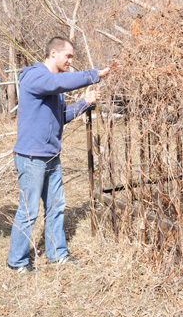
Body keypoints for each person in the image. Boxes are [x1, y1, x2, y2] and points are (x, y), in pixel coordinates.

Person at [7, 36, 113, 272]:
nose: (70, 61)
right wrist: (93, 74)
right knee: (29, 210)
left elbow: (61, 117)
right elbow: (60, 82)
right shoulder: (35, 76)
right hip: (32, 157)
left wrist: (84, 103)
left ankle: (57, 253)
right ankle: (17, 261)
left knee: (56, 206)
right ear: (53, 53)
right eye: (68, 56)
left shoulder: (53, 85)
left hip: (51, 155)